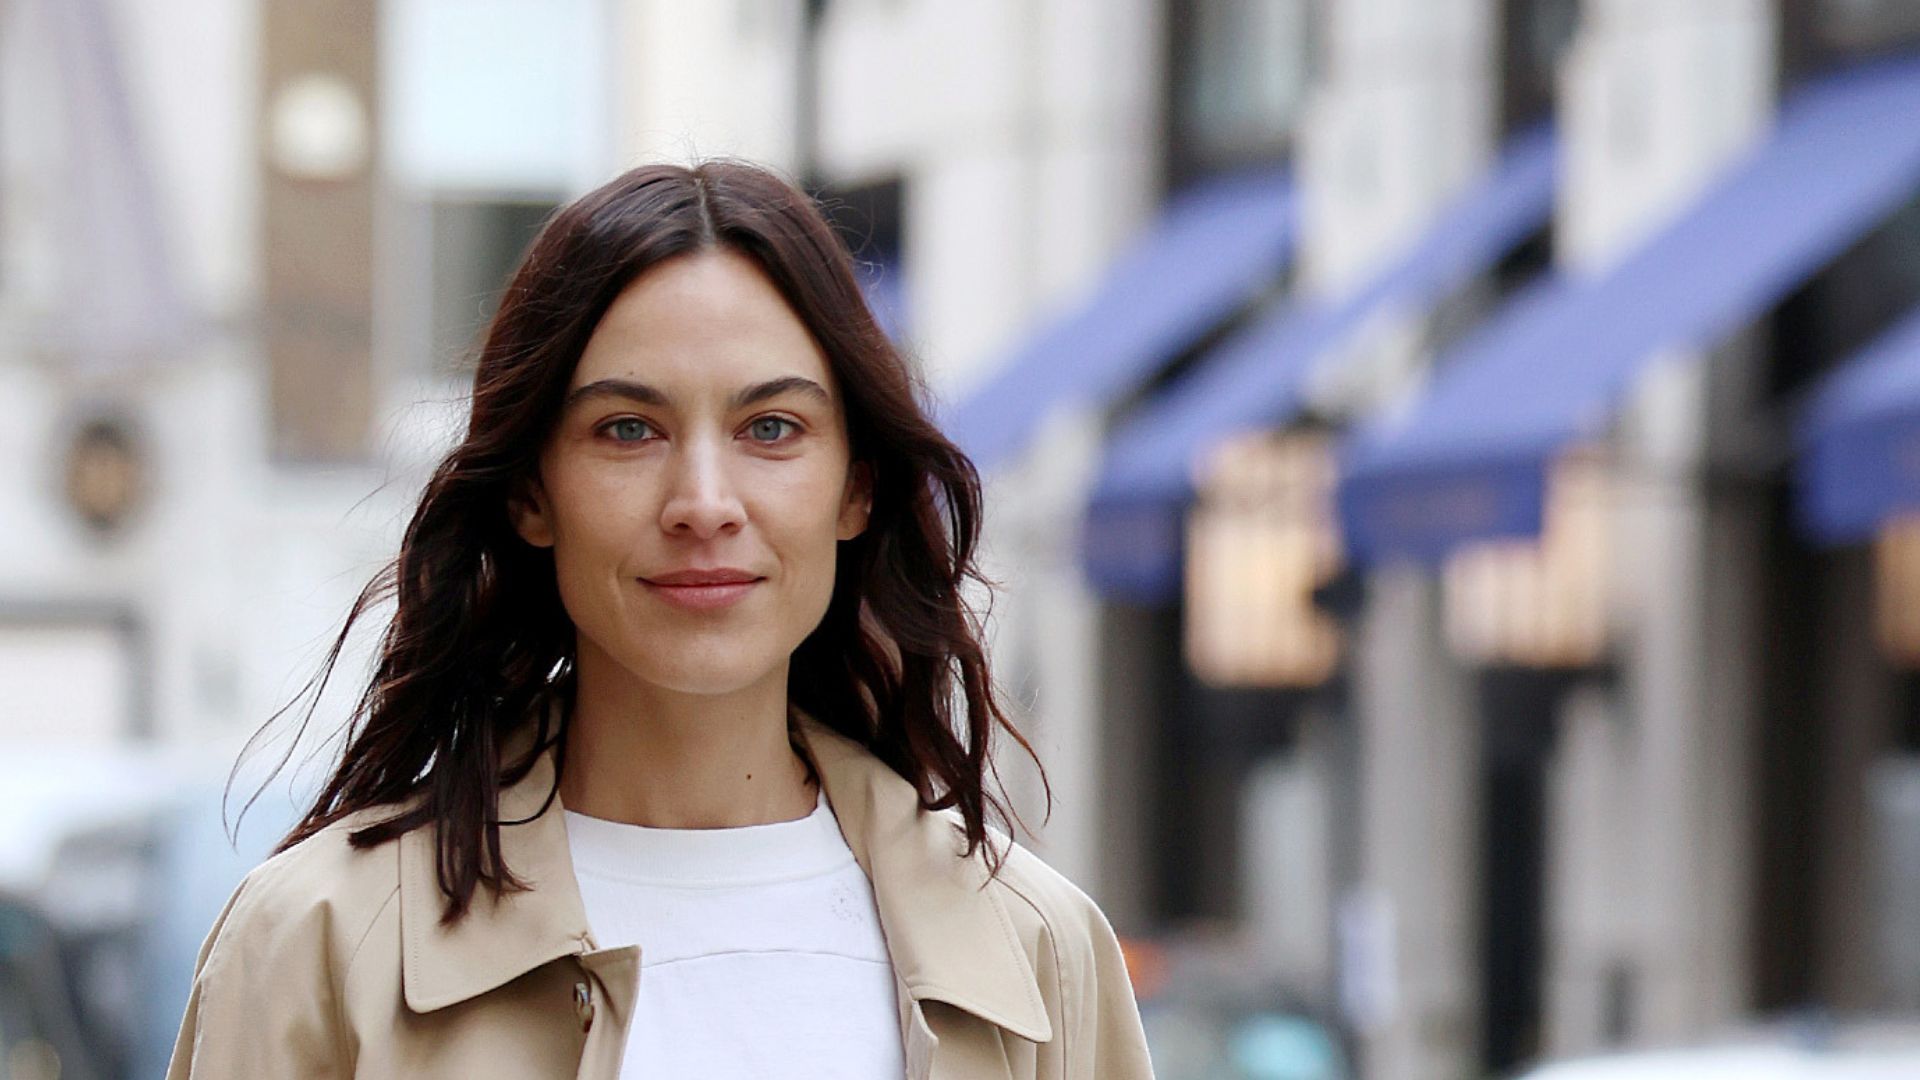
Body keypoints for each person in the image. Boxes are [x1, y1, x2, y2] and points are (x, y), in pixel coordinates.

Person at [165, 160, 1156, 1080]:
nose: (703, 501)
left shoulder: (1036, 957)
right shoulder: (322, 940)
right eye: (627, 429)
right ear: (530, 495)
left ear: (856, 488)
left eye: (772, 428)